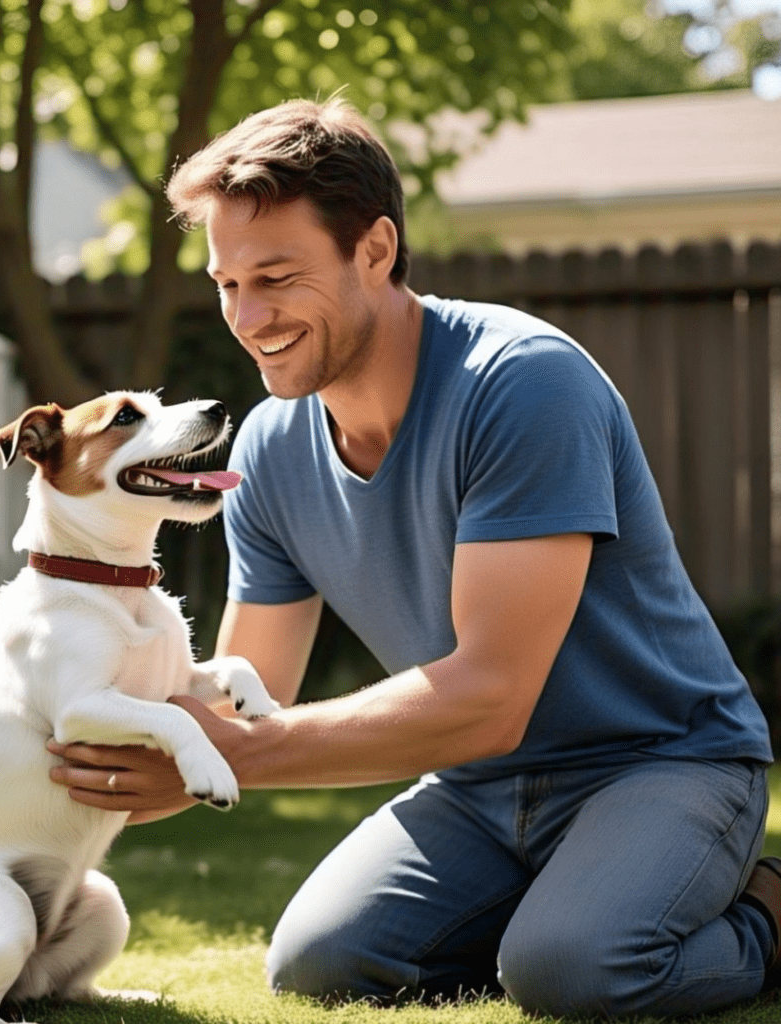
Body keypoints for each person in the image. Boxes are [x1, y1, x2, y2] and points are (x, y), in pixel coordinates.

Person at [47, 97, 781, 1017]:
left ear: (377, 250)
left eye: (276, 276)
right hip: (478, 791)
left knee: (573, 973)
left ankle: (765, 914)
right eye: (227, 283)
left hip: (661, 763)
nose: (248, 315)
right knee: (317, 965)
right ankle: (563, 905)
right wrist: (105, 732)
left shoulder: (520, 383)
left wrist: (240, 753)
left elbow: (489, 699)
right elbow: (241, 687)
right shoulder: (270, 451)